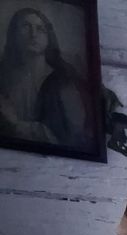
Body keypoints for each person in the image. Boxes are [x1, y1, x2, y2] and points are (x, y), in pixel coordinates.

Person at [0, 8, 91, 148]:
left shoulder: (63, 79)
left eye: (40, 29)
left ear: (49, 37)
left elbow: (73, 135)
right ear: (14, 34)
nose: (33, 34)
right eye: (26, 27)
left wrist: (17, 125)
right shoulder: (4, 77)